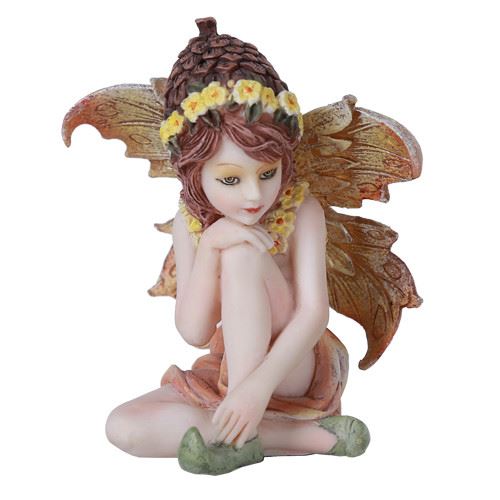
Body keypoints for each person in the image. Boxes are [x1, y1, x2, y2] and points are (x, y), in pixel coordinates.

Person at [63, 16, 421, 476]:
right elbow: (194, 331)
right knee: (124, 427)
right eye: (231, 179)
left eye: (268, 173)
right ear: (194, 172)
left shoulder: (301, 209)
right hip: (226, 366)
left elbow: (314, 314)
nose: (255, 196)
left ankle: (244, 421)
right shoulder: (190, 222)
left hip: (292, 364)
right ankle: (296, 437)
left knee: (244, 249)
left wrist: (254, 390)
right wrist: (210, 246)